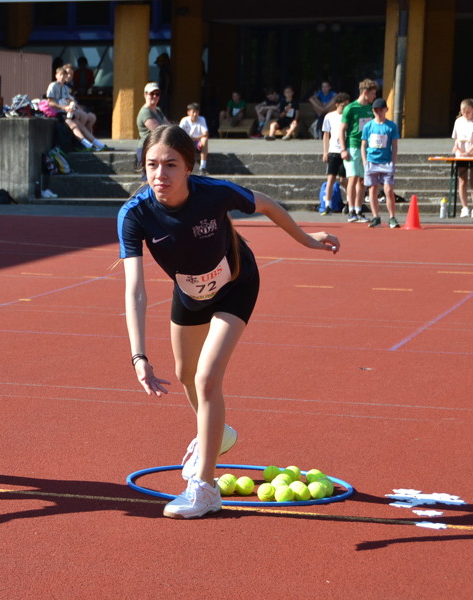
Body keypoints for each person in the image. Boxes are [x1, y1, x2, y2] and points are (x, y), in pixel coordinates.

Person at [118, 124, 339, 519]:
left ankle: (204, 488)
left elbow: (267, 203)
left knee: (207, 378)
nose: (160, 175)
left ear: (190, 166)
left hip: (236, 284)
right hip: (189, 293)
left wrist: (307, 239)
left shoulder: (213, 193)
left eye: (171, 164)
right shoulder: (135, 214)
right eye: (152, 165)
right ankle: (220, 435)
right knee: (186, 374)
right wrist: (138, 356)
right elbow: (135, 289)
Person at [340, 79, 378, 223]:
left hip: (366, 147)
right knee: (353, 178)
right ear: (365, 92)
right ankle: (351, 211)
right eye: (373, 94)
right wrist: (343, 149)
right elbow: (342, 130)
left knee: (363, 180)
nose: (374, 97)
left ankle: (358, 209)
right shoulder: (350, 108)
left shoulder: (370, 109)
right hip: (353, 146)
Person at [45, 64, 106, 151]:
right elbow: (50, 102)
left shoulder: (65, 87)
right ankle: (85, 144)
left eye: (64, 75)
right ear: (56, 76)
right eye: (60, 75)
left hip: (67, 111)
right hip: (58, 112)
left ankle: (96, 143)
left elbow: (69, 100)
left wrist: (71, 105)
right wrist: (64, 108)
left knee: (81, 123)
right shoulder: (53, 86)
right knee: (74, 125)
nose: (62, 77)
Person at [361, 98, 401, 228]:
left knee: (388, 190)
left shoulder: (391, 126)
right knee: (372, 190)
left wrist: (393, 162)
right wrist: (364, 161)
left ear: (386, 110)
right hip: (371, 162)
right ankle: (375, 217)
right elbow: (363, 144)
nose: (378, 112)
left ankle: (392, 217)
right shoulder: (368, 126)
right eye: (375, 110)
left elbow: (394, 145)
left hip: (386, 162)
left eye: (381, 110)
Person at [451, 98, 473, 218]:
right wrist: (456, 146)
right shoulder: (459, 121)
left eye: (468, 112)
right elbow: (456, 137)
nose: (466, 114)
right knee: (462, 180)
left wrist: (469, 152)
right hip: (461, 155)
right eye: (463, 112)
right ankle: (464, 207)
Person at [321, 93, 350, 217]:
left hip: (345, 151)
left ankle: (349, 202)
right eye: (343, 105)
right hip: (333, 150)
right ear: (337, 104)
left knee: (344, 179)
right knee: (331, 178)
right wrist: (325, 151)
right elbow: (326, 135)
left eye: (347, 105)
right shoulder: (329, 116)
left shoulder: (348, 117)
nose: (345, 108)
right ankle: (328, 205)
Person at [136, 82, 170, 163]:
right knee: (148, 175)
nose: (154, 96)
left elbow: (169, 125)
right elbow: (158, 130)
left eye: (157, 94)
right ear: (145, 94)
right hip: (147, 149)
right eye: (152, 94)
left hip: (157, 148)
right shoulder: (145, 112)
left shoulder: (157, 110)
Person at [178, 102, 209, 175]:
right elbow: (179, 132)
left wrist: (196, 139)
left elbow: (206, 133)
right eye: (193, 112)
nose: (195, 114)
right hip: (187, 142)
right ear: (188, 112)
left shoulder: (202, 119)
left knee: (205, 140)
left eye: (197, 112)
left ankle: (202, 166)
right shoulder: (184, 120)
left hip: (198, 142)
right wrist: (189, 138)